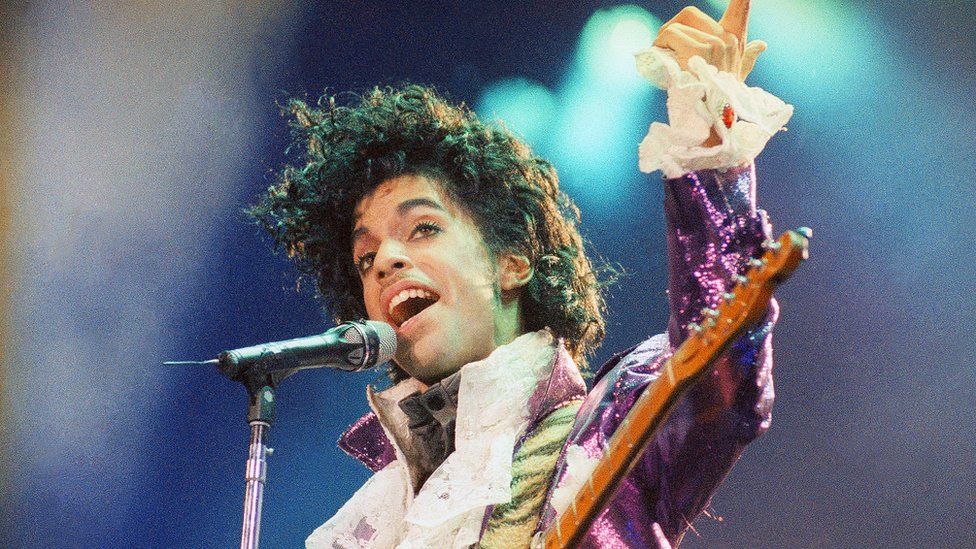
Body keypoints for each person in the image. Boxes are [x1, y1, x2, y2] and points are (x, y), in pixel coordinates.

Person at [250, 1, 793, 547]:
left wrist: (706, 137)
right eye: (365, 260)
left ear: (514, 263)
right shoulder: (367, 524)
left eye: (422, 229)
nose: (386, 261)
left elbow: (719, 366)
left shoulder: (610, 423)